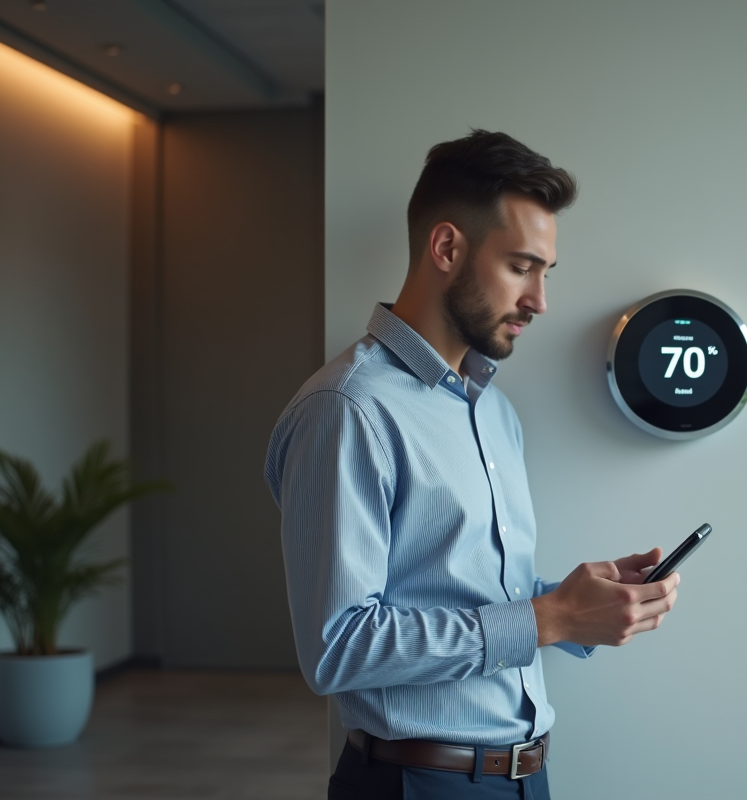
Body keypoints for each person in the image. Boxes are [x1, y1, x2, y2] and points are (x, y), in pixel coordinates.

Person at [264, 130, 680, 800]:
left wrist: (581, 605)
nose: (540, 300)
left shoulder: (493, 411)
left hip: (527, 778)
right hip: (418, 784)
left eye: (546, 272)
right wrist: (548, 619)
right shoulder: (347, 409)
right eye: (521, 267)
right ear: (447, 248)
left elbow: (464, 590)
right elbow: (337, 647)